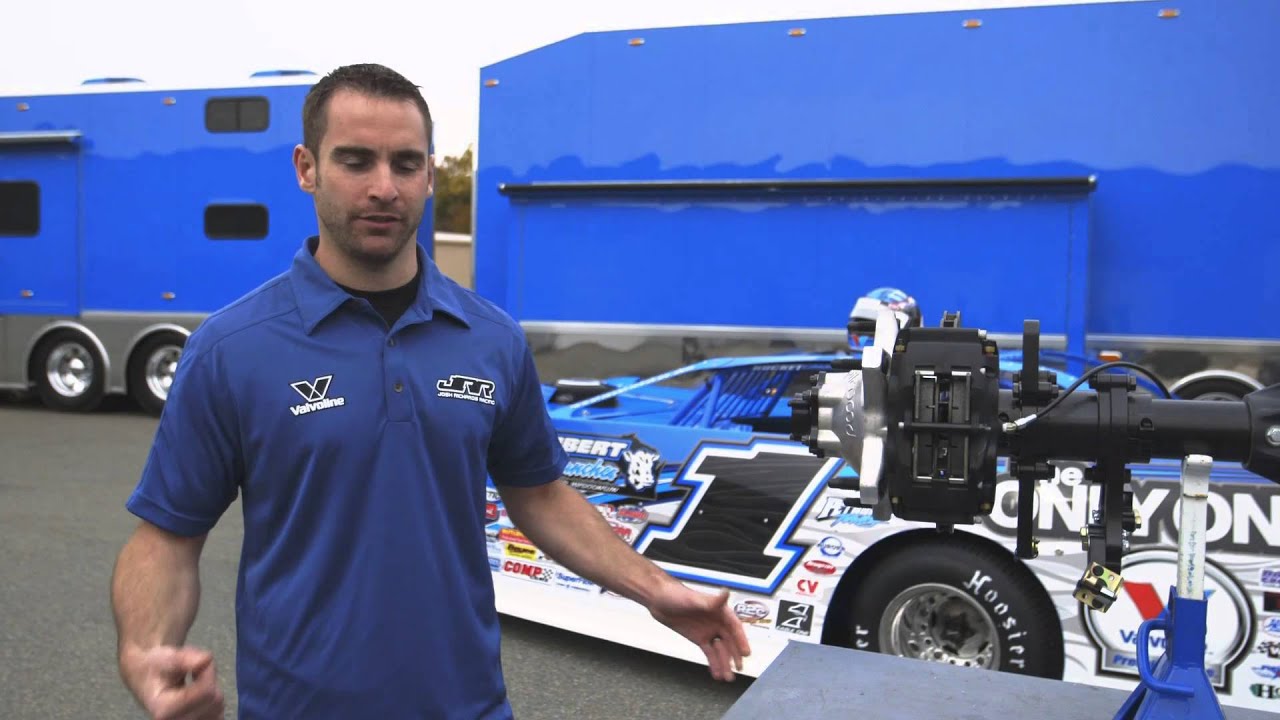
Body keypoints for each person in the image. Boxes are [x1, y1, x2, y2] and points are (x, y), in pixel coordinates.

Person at [109, 63, 750, 720]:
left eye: (406, 164)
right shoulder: (232, 349)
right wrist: (143, 651)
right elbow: (166, 538)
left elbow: (542, 496)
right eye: (356, 161)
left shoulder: (491, 338)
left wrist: (655, 589)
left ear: (429, 175)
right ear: (306, 167)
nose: (384, 188)